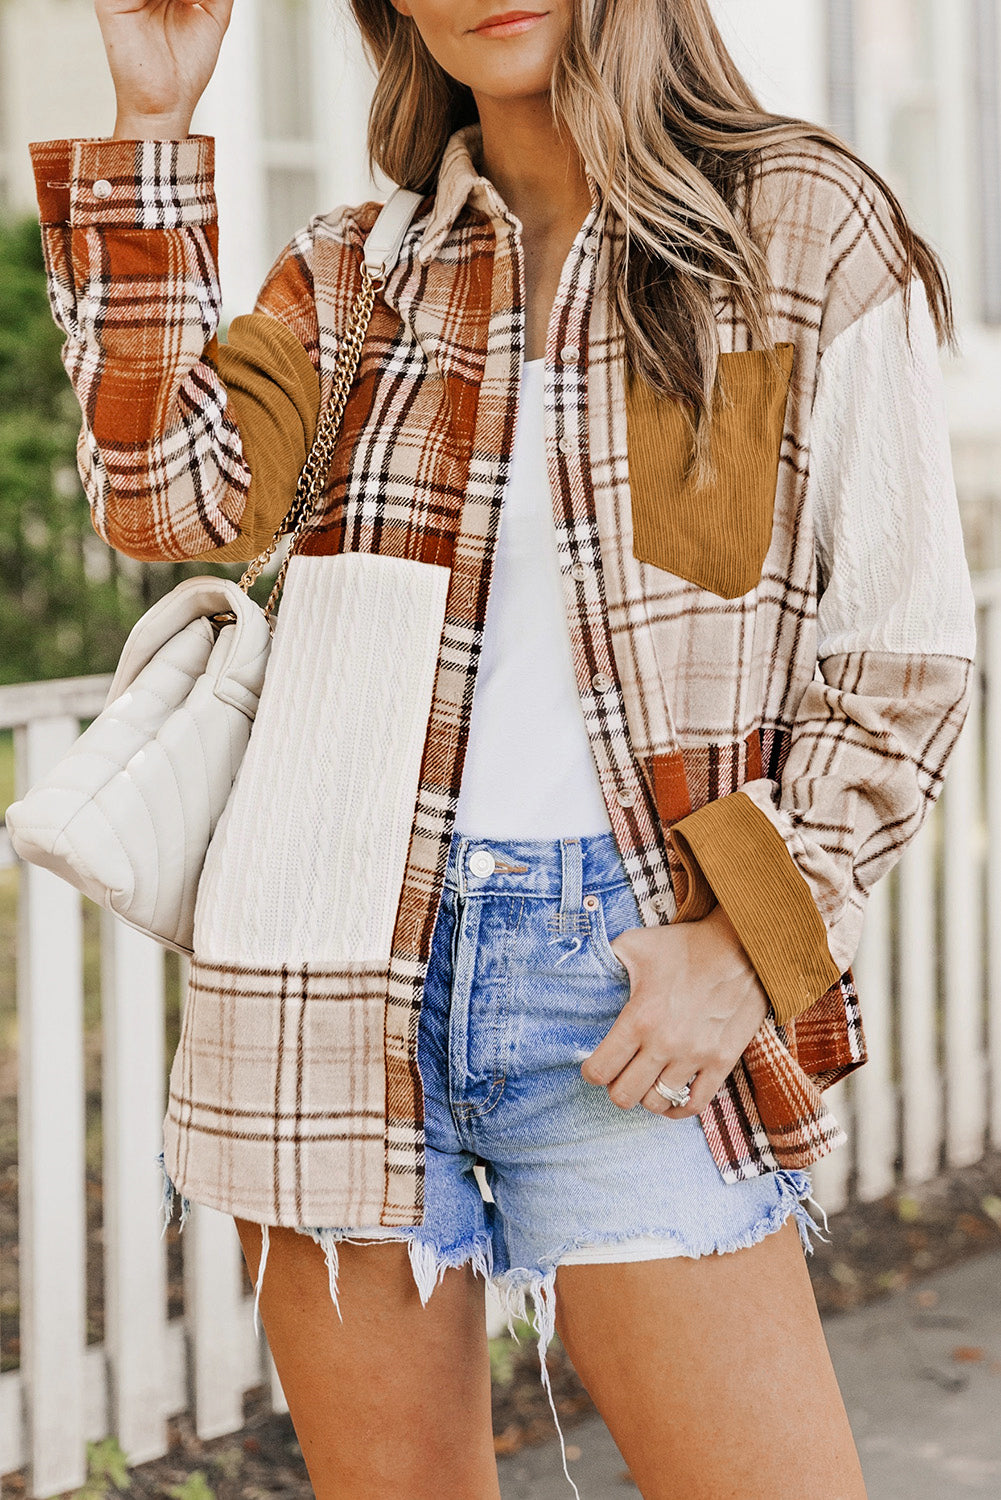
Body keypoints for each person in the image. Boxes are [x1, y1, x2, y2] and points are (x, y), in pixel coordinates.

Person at [29, 0, 977, 1495]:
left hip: (624, 977)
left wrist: (743, 945)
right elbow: (164, 503)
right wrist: (154, 124)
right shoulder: (358, 272)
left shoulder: (789, 230)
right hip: (332, 977)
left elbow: (901, 663)